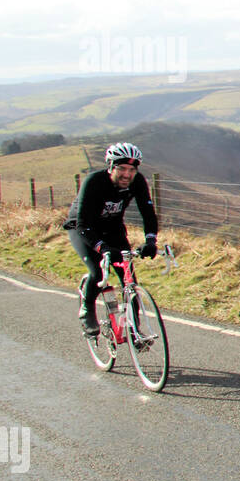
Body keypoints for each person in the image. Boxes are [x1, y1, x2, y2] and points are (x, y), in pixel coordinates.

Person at [67, 142, 159, 336]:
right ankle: (87, 308)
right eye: (122, 168)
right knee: (98, 272)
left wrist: (151, 241)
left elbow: (148, 214)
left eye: (132, 169)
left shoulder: (137, 181)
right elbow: (82, 223)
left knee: (129, 281)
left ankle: (134, 330)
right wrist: (102, 248)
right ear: (111, 166)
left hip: (113, 229)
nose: (127, 174)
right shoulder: (94, 182)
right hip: (84, 229)